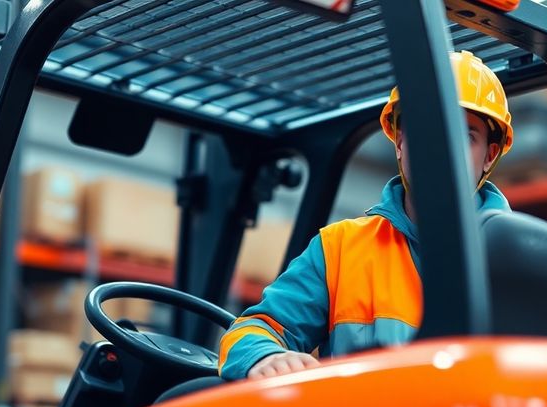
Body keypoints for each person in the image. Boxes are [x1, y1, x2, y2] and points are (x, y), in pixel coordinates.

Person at [218, 50, 515, 382]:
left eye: (465, 136)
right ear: (401, 141)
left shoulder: (522, 260)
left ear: (489, 156)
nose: (440, 147)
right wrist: (266, 354)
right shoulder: (340, 248)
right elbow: (255, 329)